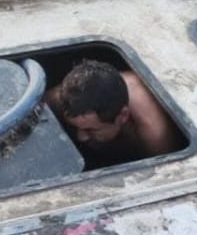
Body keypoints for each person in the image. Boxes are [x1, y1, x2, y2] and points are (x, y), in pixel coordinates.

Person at [44, 59, 184, 160]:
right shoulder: (56, 99)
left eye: (90, 130)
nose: (81, 137)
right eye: (74, 127)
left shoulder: (153, 132)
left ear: (123, 116)